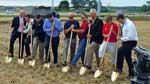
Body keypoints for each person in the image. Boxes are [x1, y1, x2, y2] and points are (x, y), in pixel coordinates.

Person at [111, 14, 138, 81]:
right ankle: (132, 74)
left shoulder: (129, 25)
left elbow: (130, 37)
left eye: (120, 21)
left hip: (131, 42)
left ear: (122, 18)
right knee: (128, 58)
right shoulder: (123, 23)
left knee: (120, 51)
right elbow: (122, 31)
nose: (120, 23)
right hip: (126, 42)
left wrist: (121, 38)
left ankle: (119, 68)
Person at [79, 9, 103, 75]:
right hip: (92, 40)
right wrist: (87, 32)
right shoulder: (90, 21)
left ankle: (88, 65)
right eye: (90, 13)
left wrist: (91, 35)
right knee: (97, 54)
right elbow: (88, 31)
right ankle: (99, 66)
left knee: (89, 49)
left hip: (98, 40)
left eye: (92, 13)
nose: (90, 14)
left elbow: (99, 32)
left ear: (95, 14)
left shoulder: (99, 21)